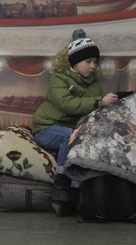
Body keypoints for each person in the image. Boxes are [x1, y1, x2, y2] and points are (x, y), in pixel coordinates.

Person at [30, 28, 118, 215]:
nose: (93, 66)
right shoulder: (59, 79)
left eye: (95, 62)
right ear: (74, 62)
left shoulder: (93, 84)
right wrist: (99, 102)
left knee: (84, 142)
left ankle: (74, 193)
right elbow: (67, 104)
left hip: (75, 130)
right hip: (46, 127)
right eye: (88, 61)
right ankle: (61, 185)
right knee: (69, 137)